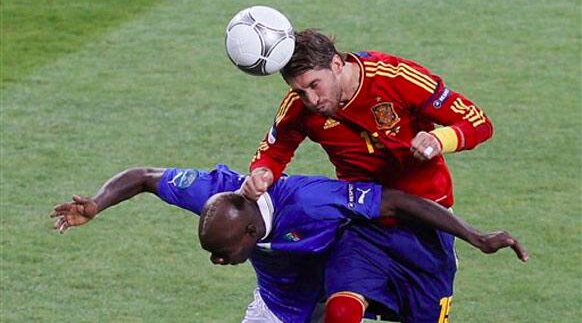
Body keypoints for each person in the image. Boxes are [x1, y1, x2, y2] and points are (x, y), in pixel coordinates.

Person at [51, 164, 527, 323]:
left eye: (226, 252)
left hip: (337, 293)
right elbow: (144, 177)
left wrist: (475, 236)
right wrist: (96, 204)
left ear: (253, 234)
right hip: (278, 305)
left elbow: (399, 203)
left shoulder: (314, 203)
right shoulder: (216, 196)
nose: (219, 260)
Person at [240, 29, 497, 321]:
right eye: (300, 91)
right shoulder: (298, 105)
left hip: (427, 222)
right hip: (365, 221)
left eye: (315, 85)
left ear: (336, 65)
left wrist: (440, 140)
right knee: (341, 312)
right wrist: (263, 172)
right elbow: (274, 150)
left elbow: (478, 121)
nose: (311, 99)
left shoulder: (396, 77)